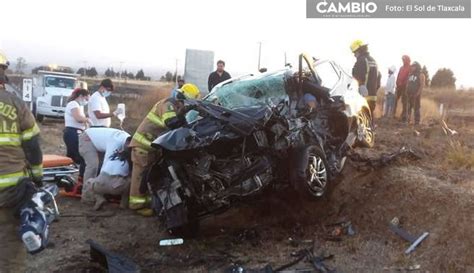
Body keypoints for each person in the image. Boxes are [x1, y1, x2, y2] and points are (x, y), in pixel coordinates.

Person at [0, 51, 49, 269]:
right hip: (9, 192)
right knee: (10, 247)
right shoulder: (16, 105)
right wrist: (38, 179)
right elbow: (32, 148)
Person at [128, 83, 201, 214]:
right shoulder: (168, 104)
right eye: (187, 102)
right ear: (183, 98)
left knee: (148, 177)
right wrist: (185, 115)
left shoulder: (176, 107)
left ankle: (147, 201)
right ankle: (136, 205)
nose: (186, 105)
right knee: (140, 176)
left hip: (151, 146)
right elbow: (171, 123)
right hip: (143, 145)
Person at [78, 127, 131, 204]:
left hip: (100, 142)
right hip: (87, 138)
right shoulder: (116, 142)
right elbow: (107, 162)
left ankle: (101, 191)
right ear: (126, 144)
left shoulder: (128, 139)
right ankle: (87, 196)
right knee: (93, 165)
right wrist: (102, 182)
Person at [87, 137, 132, 211]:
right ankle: (123, 204)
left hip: (99, 184)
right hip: (116, 187)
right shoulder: (130, 158)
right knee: (131, 181)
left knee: (89, 181)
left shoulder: (113, 155)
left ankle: (99, 199)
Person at [63, 88, 90, 197]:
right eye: (86, 98)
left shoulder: (79, 106)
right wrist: (88, 119)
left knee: (74, 158)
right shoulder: (73, 104)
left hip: (76, 132)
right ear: (80, 96)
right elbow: (78, 118)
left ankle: (68, 180)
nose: (86, 101)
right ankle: (80, 184)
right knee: (82, 158)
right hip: (73, 133)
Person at [350, 40, 379, 116]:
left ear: (360, 50)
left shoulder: (361, 61)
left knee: (361, 121)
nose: (354, 55)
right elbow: (378, 78)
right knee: (369, 120)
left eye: (355, 52)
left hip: (362, 98)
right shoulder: (373, 61)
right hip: (373, 96)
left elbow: (357, 79)